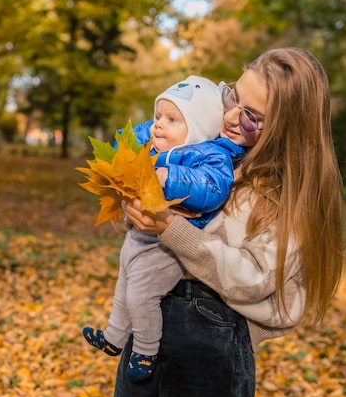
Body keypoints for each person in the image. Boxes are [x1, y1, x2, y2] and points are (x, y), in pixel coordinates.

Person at [114, 47, 346, 397]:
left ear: (287, 130)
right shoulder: (202, 149)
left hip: (209, 342)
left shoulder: (282, 194)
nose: (232, 117)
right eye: (234, 97)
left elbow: (256, 278)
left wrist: (230, 331)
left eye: (252, 116)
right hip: (149, 325)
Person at [82, 75, 245, 380]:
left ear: (197, 128)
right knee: (124, 285)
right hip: (139, 234)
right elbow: (131, 140)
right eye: (158, 115)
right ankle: (115, 337)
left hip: (169, 244)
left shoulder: (209, 155)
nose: (158, 124)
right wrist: (123, 154)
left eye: (171, 119)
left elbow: (211, 188)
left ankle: (145, 351)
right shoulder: (158, 141)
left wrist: (166, 177)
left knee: (141, 295)